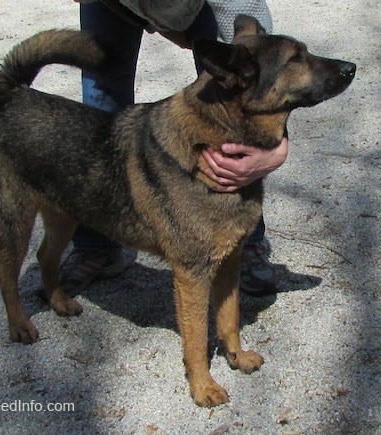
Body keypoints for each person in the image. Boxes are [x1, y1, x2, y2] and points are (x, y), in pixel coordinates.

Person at [63, 0, 288, 296]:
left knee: (230, 89)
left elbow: (267, 82)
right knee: (102, 94)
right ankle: (96, 244)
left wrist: (275, 152)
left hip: (201, 4)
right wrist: (155, 22)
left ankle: (245, 244)